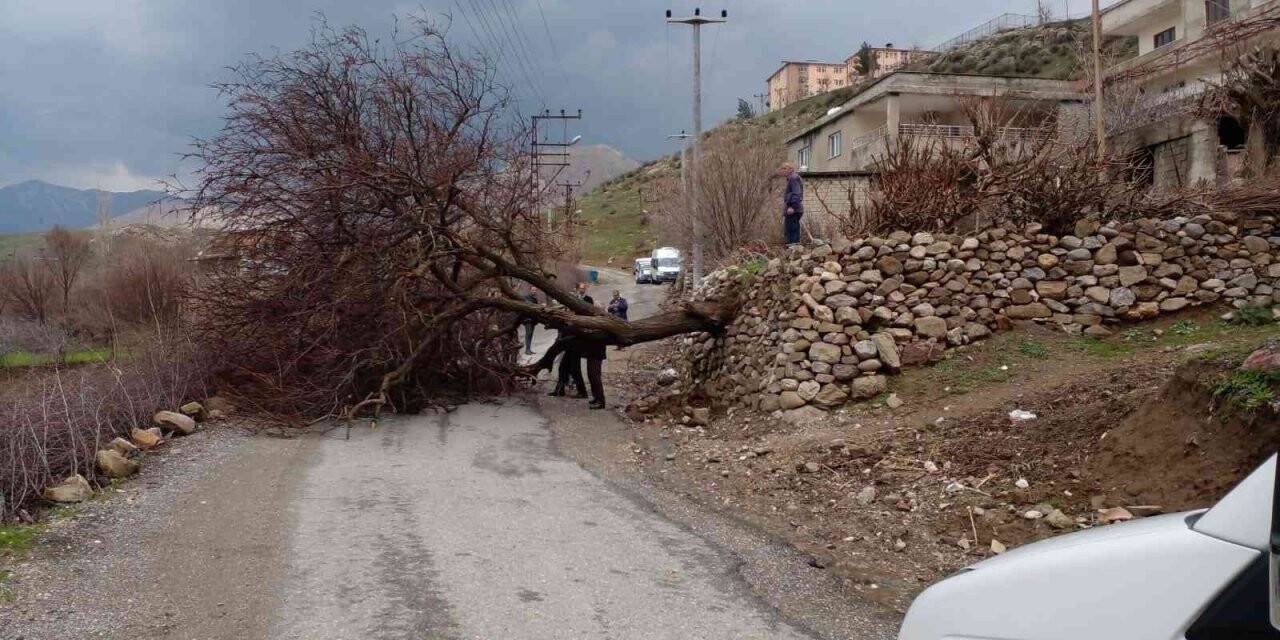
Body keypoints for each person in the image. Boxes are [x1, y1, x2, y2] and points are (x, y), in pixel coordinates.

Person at [779, 162, 804, 245]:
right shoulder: (791, 178)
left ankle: (793, 249)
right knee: (792, 232)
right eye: (782, 168)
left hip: (793, 210)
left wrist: (792, 206)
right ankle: (793, 248)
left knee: (791, 234)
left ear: (790, 169)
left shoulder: (793, 178)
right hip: (794, 209)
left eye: (784, 168)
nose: (782, 170)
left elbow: (796, 193)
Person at [521, 288, 539, 355]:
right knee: (528, 333)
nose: (534, 291)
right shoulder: (526, 297)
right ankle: (527, 350)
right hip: (527, 319)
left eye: (535, 290)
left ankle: (529, 349)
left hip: (533, 320)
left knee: (531, 334)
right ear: (530, 291)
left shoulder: (535, 299)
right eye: (533, 290)